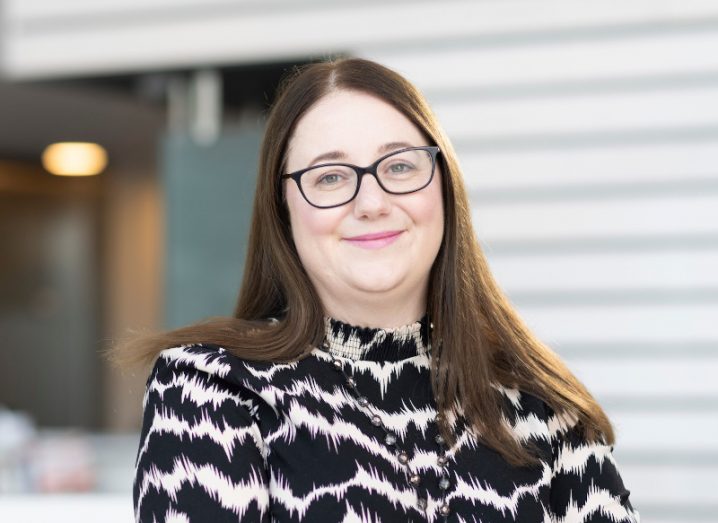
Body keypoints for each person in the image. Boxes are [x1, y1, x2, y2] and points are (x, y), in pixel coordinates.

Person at [113, 57, 640, 522]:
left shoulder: (542, 406)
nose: (371, 201)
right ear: (283, 211)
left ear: (444, 188)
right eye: (330, 177)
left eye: (400, 166)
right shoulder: (212, 388)